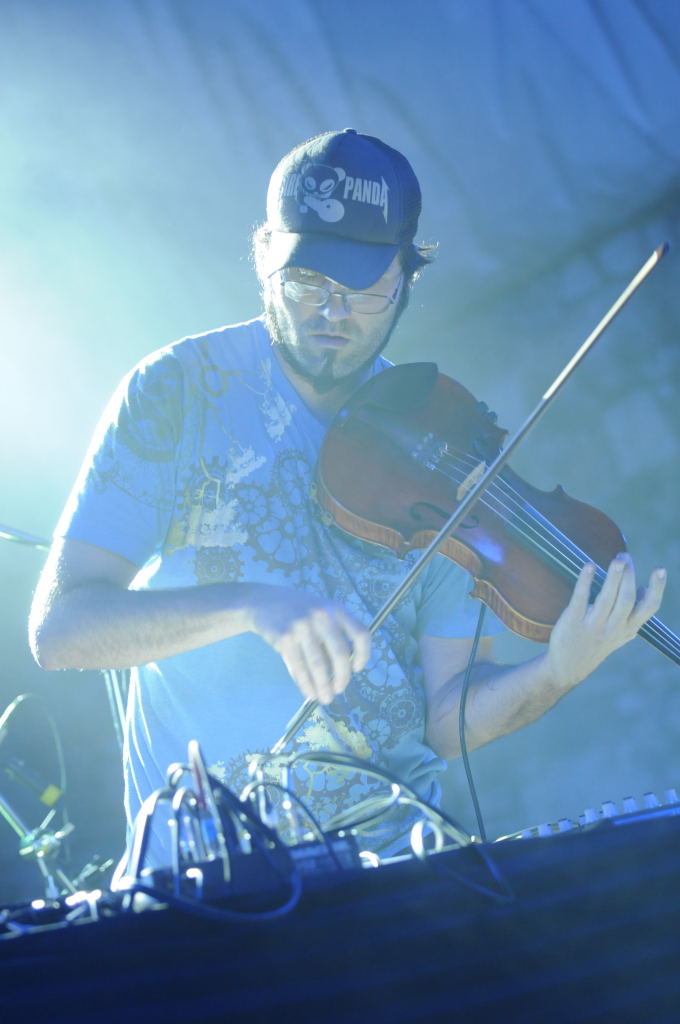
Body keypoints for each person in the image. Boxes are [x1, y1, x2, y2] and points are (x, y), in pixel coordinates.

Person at [29, 129, 666, 860]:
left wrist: (558, 672)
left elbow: (446, 716)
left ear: (407, 278)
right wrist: (252, 605)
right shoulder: (175, 393)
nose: (333, 313)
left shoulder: (445, 434)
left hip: (392, 863)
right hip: (209, 869)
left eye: (365, 289)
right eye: (308, 282)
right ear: (264, 254)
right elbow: (61, 630)